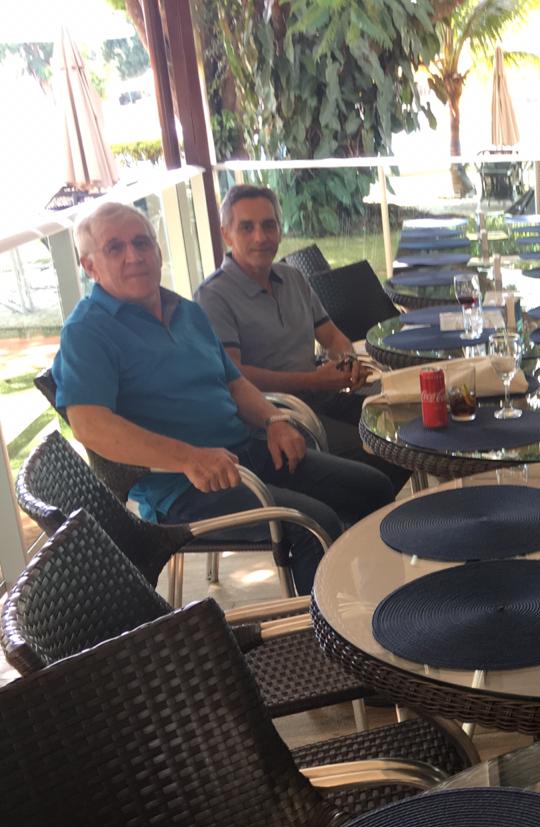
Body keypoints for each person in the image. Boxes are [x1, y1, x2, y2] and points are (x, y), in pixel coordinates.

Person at [52, 201, 395, 593]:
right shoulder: (87, 331)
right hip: (185, 487)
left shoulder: (185, 311)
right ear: (90, 266)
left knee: (373, 486)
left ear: (158, 251)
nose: (134, 256)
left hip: (246, 452)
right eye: (115, 248)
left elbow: (234, 382)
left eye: (142, 243)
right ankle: (325, 625)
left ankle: (380, 596)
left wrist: (274, 420)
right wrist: (189, 457)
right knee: (311, 525)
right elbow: (91, 426)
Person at [195, 184, 410, 491]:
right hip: (274, 416)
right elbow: (235, 376)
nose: (260, 237)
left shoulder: (292, 278)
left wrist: (346, 362)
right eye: (247, 227)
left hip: (321, 397)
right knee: (382, 451)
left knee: (407, 425)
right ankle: (373, 513)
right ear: (226, 235)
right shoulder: (213, 296)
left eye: (269, 225)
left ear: (280, 231)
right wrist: (314, 380)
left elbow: (332, 335)